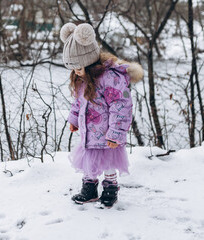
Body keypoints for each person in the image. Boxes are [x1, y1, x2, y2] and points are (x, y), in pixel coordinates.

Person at [60, 23, 143, 208]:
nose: (76, 71)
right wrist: (74, 119)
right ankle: (89, 189)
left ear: (88, 59)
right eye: (72, 67)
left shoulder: (110, 78)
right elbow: (78, 102)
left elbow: (121, 106)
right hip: (89, 133)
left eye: (78, 66)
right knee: (88, 161)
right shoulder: (82, 79)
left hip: (107, 135)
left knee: (108, 163)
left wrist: (116, 132)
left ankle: (110, 188)